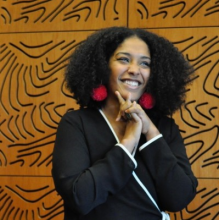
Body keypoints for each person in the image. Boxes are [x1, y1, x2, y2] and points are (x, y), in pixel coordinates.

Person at [52, 26, 198, 220]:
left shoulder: (164, 128)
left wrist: (150, 131)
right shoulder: (76, 123)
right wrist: (128, 141)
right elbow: (80, 197)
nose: (135, 70)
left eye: (145, 64)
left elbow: (179, 198)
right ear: (102, 66)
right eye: (123, 59)